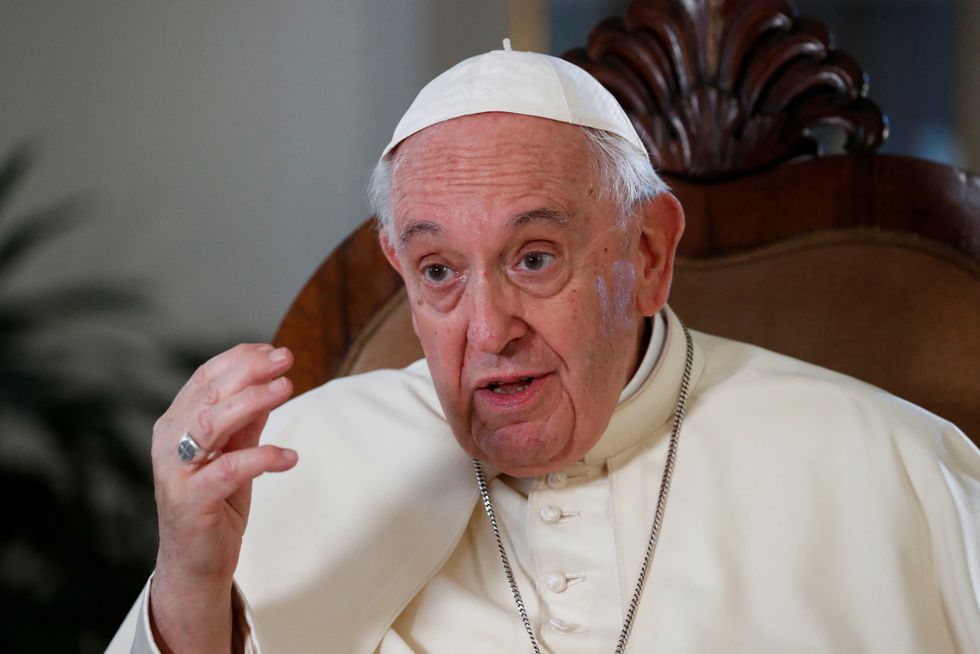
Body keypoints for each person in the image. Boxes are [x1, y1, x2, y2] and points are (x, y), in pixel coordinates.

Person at [108, 45, 979, 653]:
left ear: (647, 255)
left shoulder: (896, 470)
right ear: (399, 272)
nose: (488, 332)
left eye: (533, 258)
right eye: (440, 269)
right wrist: (190, 585)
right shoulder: (292, 469)